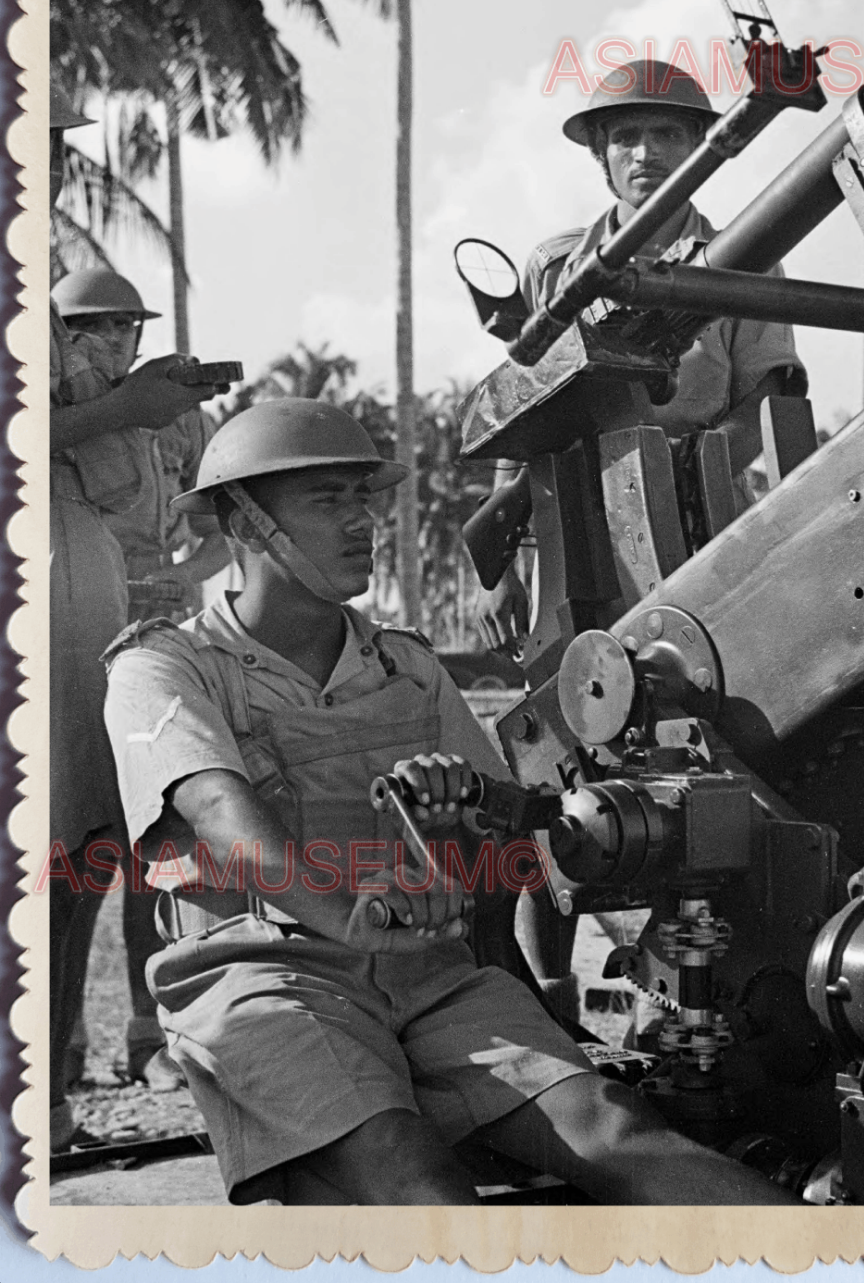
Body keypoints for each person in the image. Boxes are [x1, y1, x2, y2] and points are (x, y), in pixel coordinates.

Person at [102, 398, 796, 1206]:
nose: (361, 522)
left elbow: (492, 847)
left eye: (362, 498)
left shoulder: (405, 666)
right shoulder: (165, 666)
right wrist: (348, 913)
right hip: (265, 974)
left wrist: (452, 822)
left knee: (620, 1134)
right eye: (328, 501)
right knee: (414, 1181)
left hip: (428, 973)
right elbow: (221, 815)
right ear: (246, 522)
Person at [473, 60, 808, 1021]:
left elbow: (763, 401)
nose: (644, 153)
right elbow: (521, 408)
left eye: (665, 135)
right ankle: (545, 990)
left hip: (691, 507)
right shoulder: (554, 264)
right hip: (566, 512)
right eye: (625, 136)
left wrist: (685, 481)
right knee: (548, 750)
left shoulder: (745, 251)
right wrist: (502, 552)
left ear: (696, 150)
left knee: (702, 736)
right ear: (598, 154)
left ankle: (700, 984)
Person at [48, 91, 223, 1148]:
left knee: (111, 840)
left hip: (108, 601)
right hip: (62, 588)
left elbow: (216, 523)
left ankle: (95, 1054)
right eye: (95, 328)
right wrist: (124, 408)